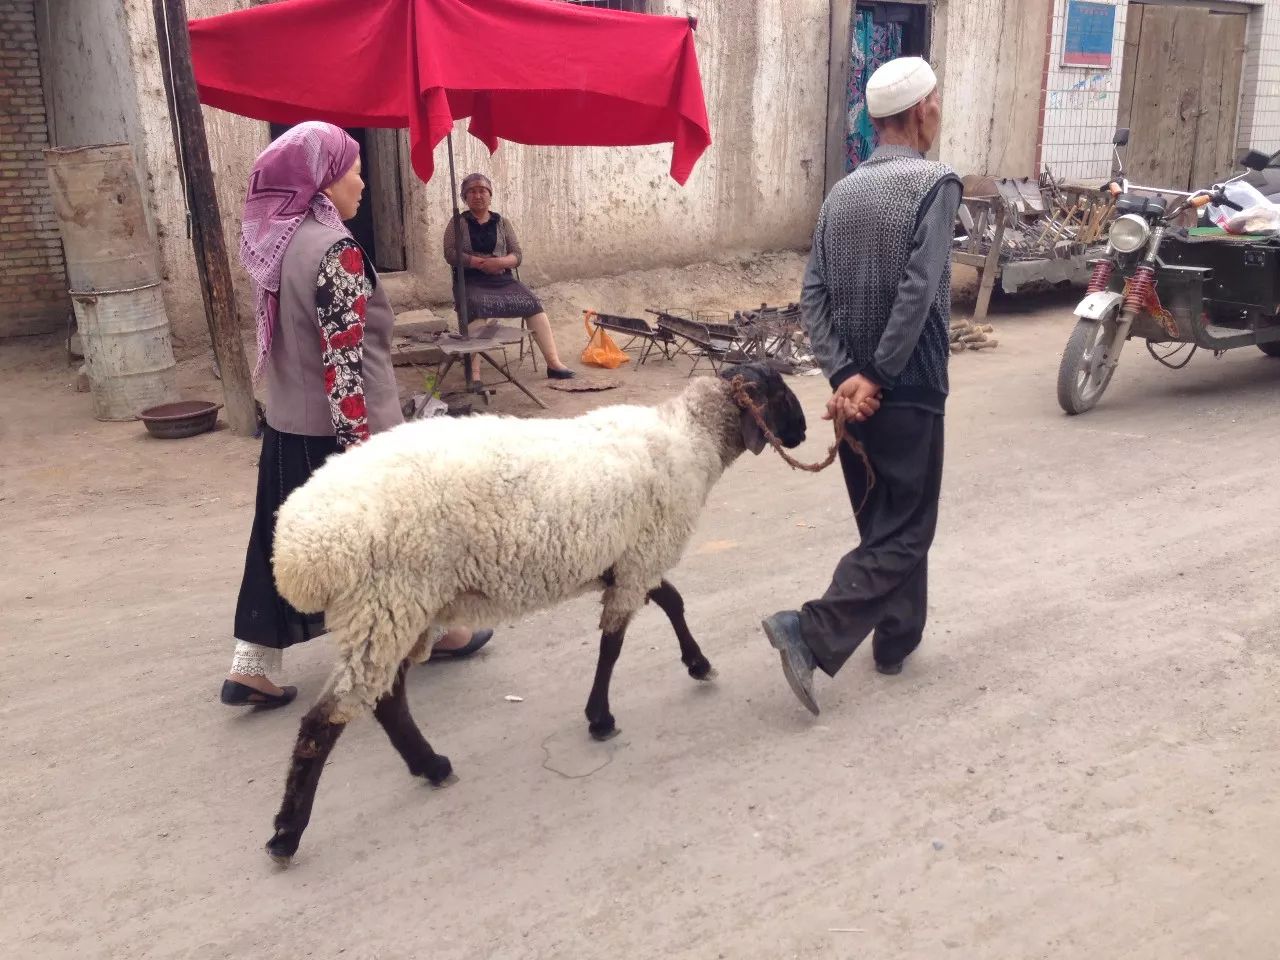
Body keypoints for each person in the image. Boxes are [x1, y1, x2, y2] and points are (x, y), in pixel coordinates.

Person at [221, 122, 491, 709]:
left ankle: (251, 663)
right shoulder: (335, 252)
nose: (364, 183)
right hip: (348, 433)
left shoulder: (279, 246)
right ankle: (437, 633)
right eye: (353, 170)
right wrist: (362, 455)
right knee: (399, 544)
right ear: (322, 180)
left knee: (277, 541)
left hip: (289, 429)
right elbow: (343, 366)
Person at [760, 57, 962, 715]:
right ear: (918, 111)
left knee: (884, 522)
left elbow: (812, 294)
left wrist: (844, 375)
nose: (938, 113)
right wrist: (873, 374)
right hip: (909, 385)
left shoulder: (840, 193)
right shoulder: (936, 183)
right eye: (936, 103)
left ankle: (895, 641)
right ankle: (810, 631)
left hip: (856, 396)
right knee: (905, 530)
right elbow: (920, 288)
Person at [442, 173, 575, 379]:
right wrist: (479, 263)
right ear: (465, 197)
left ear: (490, 195)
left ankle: (553, 363)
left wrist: (500, 263)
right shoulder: (458, 222)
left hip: (502, 280)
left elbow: (517, 254)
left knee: (533, 304)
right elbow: (450, 253)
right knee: (475, 307)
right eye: (472, 191)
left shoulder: (502, 223)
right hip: (471, 280)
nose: (478, 195)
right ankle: (474, 372)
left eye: (482, 190)